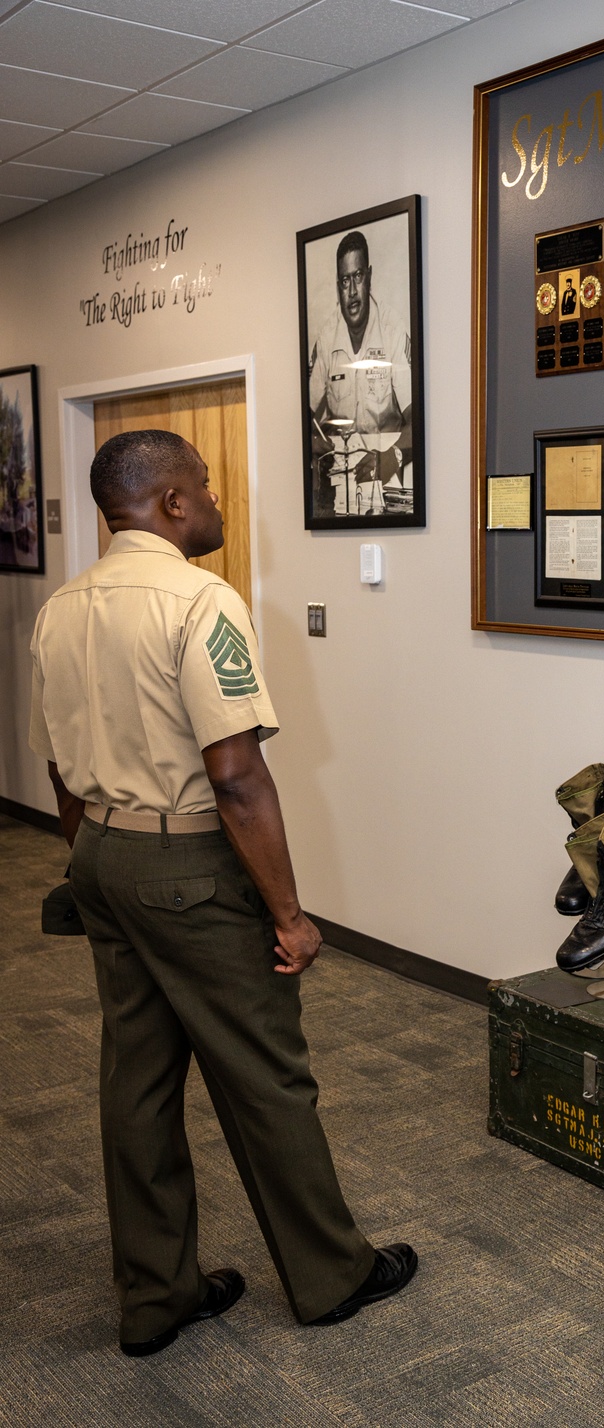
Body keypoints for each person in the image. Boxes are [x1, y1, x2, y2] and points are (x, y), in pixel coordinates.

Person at [29, 429, 417, 1356]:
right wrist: (288, 913)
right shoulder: (200, 601)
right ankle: (333, 1276)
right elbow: (237, 773)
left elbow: (58, 762)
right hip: (187, 868)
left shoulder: (61, 608)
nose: (216, 503)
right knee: (265, 1073)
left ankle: (156, 1296)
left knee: (138, 1079)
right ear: (168, 504)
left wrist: (95, 864)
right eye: (204, 488)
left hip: (101, 855)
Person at [309, 230, 412, 516]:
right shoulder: (326, 338)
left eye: (358, 277)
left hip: (387, 484)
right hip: (338, 485)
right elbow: (303, 417)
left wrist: (392, 456)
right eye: (344, 281)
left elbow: (418, 419)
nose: (352, 291)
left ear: (369, 276)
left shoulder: (392, 330)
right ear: (337, 286)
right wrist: (316, 444)